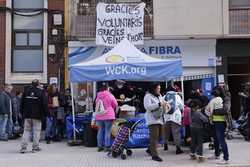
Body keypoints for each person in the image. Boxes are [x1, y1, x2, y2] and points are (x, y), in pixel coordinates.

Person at [20, 80, 48, 153]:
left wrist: (22, 112)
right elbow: (44, 104)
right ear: (38, 84)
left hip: (27, 115)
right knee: (36, 131)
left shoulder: (26, 91)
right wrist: (46, 114)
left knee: (26, 131)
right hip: (37, 115)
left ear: (31, 84)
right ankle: (35, 147)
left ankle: (23, 147)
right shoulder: (41, 92)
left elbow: (22, 103)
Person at [206, 87, 229, 165]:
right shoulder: (216, 99)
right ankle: (217, 154)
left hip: (220, 122)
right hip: (214, 122)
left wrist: (213, 112)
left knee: (221, 140)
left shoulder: (225, 99)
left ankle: (226, 158)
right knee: (215, 139)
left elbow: (225, 110)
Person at [93, 82, 118, 152]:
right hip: (108, 115)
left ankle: (99, 146)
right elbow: (115, 104)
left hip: (99, 115)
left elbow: (96, 105)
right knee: (107, 131)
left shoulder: (98, 96)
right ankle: (107, 146)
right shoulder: (110, 95)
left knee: (100, 130)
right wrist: (110, 108)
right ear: (107, 88)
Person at [144, 83, 165, 162]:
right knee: (154, 137)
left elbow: (163, 103)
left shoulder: (159, 96)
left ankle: (150, 149)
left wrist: (166, 104)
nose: (159, 89)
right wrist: (159, 104)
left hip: (160, 119)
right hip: (152, 120)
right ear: (154, 88)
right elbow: (147, 107)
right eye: (158, 88)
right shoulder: (148, 96)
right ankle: (154, 155)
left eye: (160, 88)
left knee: (160, 136)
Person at [164, 85, 184, 154]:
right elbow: (181, 106)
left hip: (166, 117)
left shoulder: (164, 97)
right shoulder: (177, 96)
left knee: (166, 132)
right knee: (176, 132)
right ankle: (178, 148)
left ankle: (165, 145)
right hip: (175, 117)